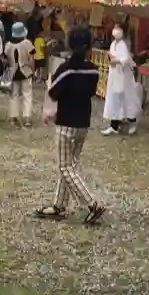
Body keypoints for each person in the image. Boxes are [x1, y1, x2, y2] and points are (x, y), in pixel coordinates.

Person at [40, 24, 104, 223]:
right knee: (69, 165)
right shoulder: (93, 71)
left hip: (66, 124)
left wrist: (49, 84)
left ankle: (92, 204)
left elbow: (53, 92)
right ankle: (59, 205)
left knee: (65, 167)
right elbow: (90, 92)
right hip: (82, 124)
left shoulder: (66, 69)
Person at [102, 25, 141, 135]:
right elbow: (111, 55)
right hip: (115, 74)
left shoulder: (123, 44)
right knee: (114, 98)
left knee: (126, 98)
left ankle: (132, 122)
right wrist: (111, 60)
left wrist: (117, 61)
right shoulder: (113, 44)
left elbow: (125, 58)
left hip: (123, 76)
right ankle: (114, 125)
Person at [6, 22, 37, 126]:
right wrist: (33, 71)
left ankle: (13, 117)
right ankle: (27, 118)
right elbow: (32, 59)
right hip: (26, 71)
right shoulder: (27, 43)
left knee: (13, 95)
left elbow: (5, 58)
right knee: (27, 95)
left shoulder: (8, 44)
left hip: (13, 73)